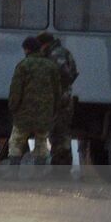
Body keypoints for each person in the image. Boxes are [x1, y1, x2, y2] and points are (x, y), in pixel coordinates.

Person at [7, 35, 61, 165]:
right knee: (42, 142)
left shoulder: (23, 66)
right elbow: (57, 91)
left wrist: (13, 107)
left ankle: (14, 172)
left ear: (27, 49)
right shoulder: (51, 67)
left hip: (24, 114)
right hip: (44, 113)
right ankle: (39, 175)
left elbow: (16, 90)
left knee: (17, 141)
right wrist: (54, 110)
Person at [37, 31, 79, 165]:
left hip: (60, 99)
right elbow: (72, 72)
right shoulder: (62, 52)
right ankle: (62, 164)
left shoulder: (55, 54)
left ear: (45, 44)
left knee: (58, 134)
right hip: (63, 97)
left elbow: (64, 73)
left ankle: (61, 165)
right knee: (60, 133)